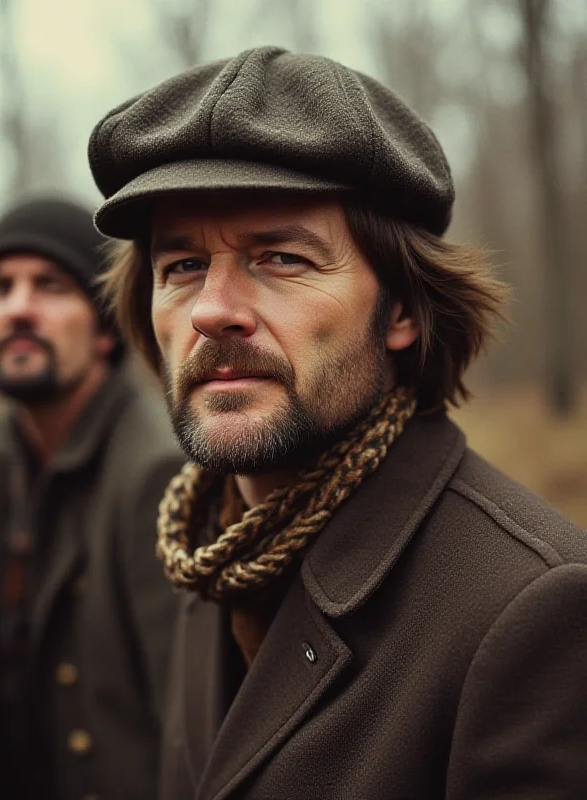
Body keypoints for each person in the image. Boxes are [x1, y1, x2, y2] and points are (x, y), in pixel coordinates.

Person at [89, 47, 587, 800]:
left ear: (402, 311)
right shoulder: (209, 548)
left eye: (281, 257)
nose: (213, 309)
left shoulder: (530, 608)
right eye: (182, 266)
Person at [0, 196, 183, 800]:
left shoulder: (158, 472)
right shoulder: (5, 458)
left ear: (105, 329)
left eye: (50, 286)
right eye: (0, 288)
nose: (17, 309)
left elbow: (187, 729)